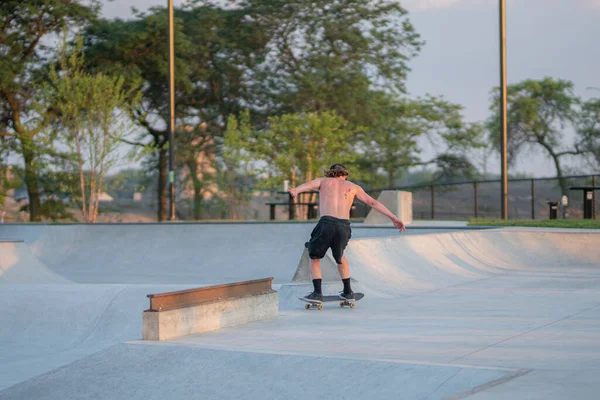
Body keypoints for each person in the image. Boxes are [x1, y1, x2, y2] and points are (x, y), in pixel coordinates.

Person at [288, 164, 405, 303]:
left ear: (329, 174)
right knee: (340, 256)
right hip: (344, 226)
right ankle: (348, 292)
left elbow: (307, 185)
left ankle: (317, 293)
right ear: (345, 175)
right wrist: (393, 217)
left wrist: (296, 190)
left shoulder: (323, 181)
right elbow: (372, 202)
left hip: (326, 223)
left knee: (314, 257)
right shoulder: (353, 187)